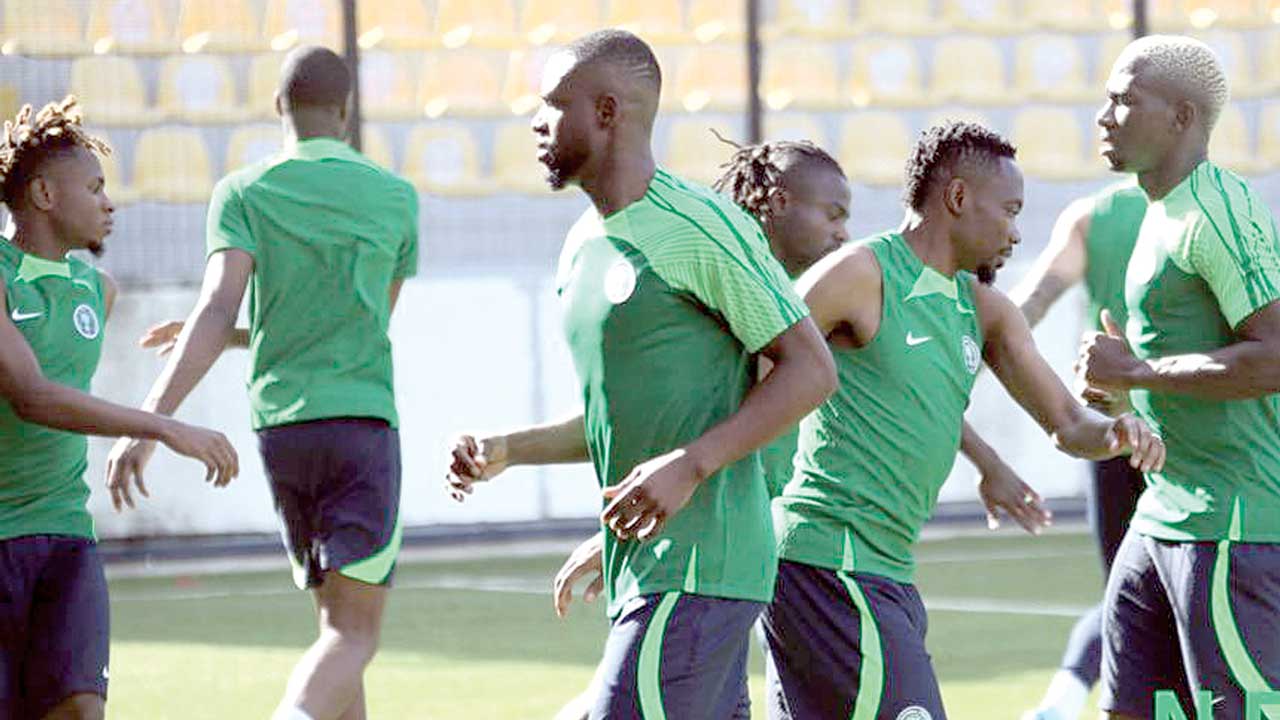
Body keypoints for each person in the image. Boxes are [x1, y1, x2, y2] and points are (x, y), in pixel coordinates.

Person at [449, 29, 838, 719]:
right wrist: (509, 450)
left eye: (553, 103)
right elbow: (635, 412)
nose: (536, 121)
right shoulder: (582, 246)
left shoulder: (698, 226)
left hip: (701, 568)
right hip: (649, 569)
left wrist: (690, 466)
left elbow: (811, 369)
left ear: (606, 112)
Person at [764, 120, 1165, 720]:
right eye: (1010, 210)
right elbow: (755, 363)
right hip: (828, 564)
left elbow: (1066, 422)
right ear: (957, 198)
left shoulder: (987, 311)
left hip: (883, 572)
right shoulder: (860, 274)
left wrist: (1117, 430)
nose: (1016, 230)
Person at [107, 46, 418, 720]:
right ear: (346, 111)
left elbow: (218, 308)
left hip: (284, 435)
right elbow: (363, 323)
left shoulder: (243, 192)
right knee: (354, 633)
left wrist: (150, 421)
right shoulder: (397, 197)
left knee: (335, 627)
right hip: (361, 428)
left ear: (279, 106)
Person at [0, 96, 237, 720]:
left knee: (82, 708)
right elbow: (31, 396)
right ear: (44, 195)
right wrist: (162, 427)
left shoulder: (97, 291)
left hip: (66, 535)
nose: (109, 203)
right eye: (95, 187)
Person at [1076, 35, 1280, 720]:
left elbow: (1276, 356)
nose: (1104, 116)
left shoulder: (1217, 213)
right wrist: (1120, 388)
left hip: (1231, 525)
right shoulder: (1157, 210)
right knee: (1131, 710)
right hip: (1163, 514)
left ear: (1182, 117)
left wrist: (1137, 370)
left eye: (1124, 101)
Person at [1015, 181, 1149, 720]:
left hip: (1112, 432)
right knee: (1173, 590)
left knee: (1126, 589)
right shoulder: (1217, 211)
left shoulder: (1090, 217)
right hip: (1185, 433)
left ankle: (1063, 702)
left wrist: (969, 351)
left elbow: (1033, 301)